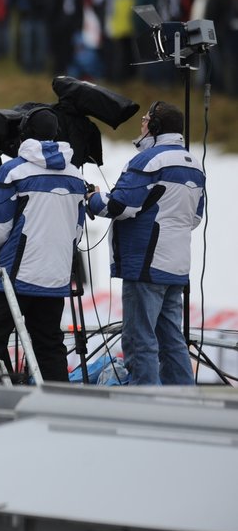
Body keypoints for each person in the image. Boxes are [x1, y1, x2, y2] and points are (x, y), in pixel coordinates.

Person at [86, 101, 205, 385]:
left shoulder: (148, 160)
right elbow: (194, 218)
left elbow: (120, 206)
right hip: (176, 266)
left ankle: (143, 404)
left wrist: (91, 199)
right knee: (171, 339)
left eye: (144, 120)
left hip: (145, 264)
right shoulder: (194, 164)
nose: (140, 125)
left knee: (140, 339)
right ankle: (183, 404)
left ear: (154, 126)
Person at [0, 107, 86, 382]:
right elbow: (77, 233)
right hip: (55, 278)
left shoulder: (12, 171)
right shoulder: (76, 175)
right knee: (49, 347)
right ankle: (57, 413)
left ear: (24, 136)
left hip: (15, 278)